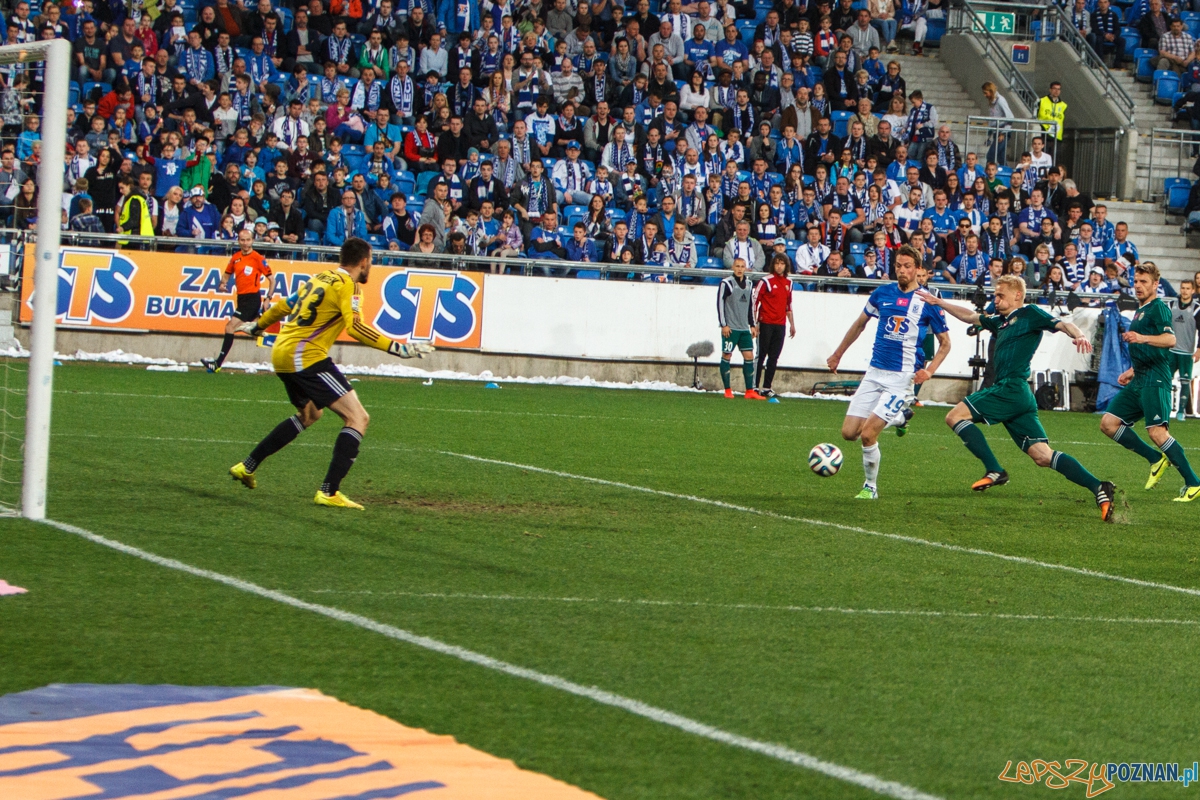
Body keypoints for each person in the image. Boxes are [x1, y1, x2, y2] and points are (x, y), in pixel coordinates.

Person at [230, 238, 434, 509]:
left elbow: (283, 307)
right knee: (358, 418)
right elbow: (356, 328)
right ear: (363, 261)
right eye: (370, 261)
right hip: (306, 357)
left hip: (282, 352)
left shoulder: (320, 278)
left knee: (310, 414)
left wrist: (257, 327)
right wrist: (399, 349)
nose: (370, 266)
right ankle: (329, 491)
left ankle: (247, 466)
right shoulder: (349, 286)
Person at [918, 276, 1117, 520]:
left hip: (1009, 389)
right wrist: (939, 302)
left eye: (1001, 295)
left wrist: (1079, 335)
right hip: (1019, 395)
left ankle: (994, 469)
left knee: (954, 416)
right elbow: (970, 316)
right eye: (995, 295)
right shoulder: (1000, 322)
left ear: (1018, 296)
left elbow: (1062, 324)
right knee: (1042, 455)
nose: (996, 299)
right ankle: (1099, 487)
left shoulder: (1030, 313)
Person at [826, 245, 951, 499]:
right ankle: (899, 418)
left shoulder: (927, 302)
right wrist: (838, 353)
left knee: (868, 433)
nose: (902, 271)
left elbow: (945, 343)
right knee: (849, 433)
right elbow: (859, 325)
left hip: (901, 379)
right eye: (898, 266)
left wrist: (929, 371)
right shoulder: (882, 293)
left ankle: (870, 487)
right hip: (874, 373)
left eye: (907, 267)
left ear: (918, 270)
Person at [1099, 265, 1200, 502]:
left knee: (1157, 432)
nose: (1138, 285)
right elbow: (1146, 347)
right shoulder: (1140, 310)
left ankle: (1194, 483)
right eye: (1136, 281)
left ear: (1156, 285)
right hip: (1140, 378)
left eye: (1144, 281)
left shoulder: (1159, 309)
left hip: (1155, 378)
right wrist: (1132, 371)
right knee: (1108, 423)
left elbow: (1170, 339)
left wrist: (1142, 337)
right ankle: (1155, 459)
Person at [201, 229, 272, 373]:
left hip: (252, 298)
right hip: (241, 298)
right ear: (238, 241)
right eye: (242, 240)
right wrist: (222, 284)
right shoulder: (236, 257)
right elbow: (227, 274)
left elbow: (272, 279)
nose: (245, 243)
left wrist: (268, 298)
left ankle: (217, 364)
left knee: (229, 327)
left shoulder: (258, 258)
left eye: (248, 240)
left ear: (252, 240)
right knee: (250, 327)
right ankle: (256, 329)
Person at [717, 257, 766, 400]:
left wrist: (752, 325)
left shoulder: (750, 284)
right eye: (737, 266)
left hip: (744, 328)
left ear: (746, 268)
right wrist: (723, 324)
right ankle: (727, 389)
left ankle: (749, 390)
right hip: (730, 328)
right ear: (733, 267)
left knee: (749, 356)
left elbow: (751, 306)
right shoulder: (726, 283)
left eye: (742, 266)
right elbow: (720, 304)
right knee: (727, 355)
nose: (739, 269)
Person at [753, 254, 795, 397]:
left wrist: (792, 324)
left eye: (782, 263)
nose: (779, 266)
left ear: (786, 266)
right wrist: (755, 323)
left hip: (780, 324)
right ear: (773, 265)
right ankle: (754, 386)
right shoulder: (766, 281)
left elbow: (788, 305)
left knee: (774, 356)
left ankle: (767, 387)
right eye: (777, 263)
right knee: (761, 355)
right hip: (766, 322)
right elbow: (755, 300)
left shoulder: (789, 282)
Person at [1166, 279, 1200, 421]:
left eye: (1187, 288)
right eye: (1182, 288)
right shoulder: (1171, 305)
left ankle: (1181, 412)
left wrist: (1198, 349)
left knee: (1185, 380)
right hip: (1171, 351)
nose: (1185, 291)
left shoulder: (1197, 308)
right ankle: (1164, 409)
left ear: (1193, 291)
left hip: (1186, 352)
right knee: (1165, 380)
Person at [1036, 82, 1066, 158]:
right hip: (1045, 133)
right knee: (1043, 157)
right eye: (1054, 89)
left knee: (1054, 158)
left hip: (1056, 136)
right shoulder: (1042, 101)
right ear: (1050, 90)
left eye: (1058, 89)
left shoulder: (1063, 105)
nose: (1056, 91)